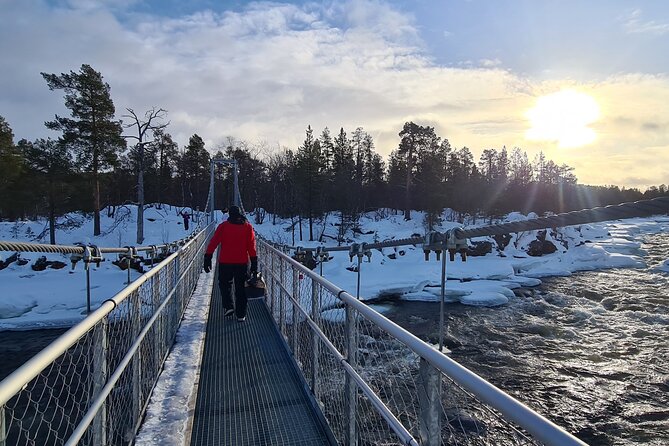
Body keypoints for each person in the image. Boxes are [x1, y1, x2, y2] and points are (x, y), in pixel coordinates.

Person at [203, 205, 257, 322]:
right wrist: (254, 264)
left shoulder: (223, 227)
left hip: (225, 262)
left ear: (229, 215)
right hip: (242, 263)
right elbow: (251, 247)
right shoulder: (248, 227)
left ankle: (228, 306)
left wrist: (208, 257)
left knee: (224, 285)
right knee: (241, 289)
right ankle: (241, 314)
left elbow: (214, 242)